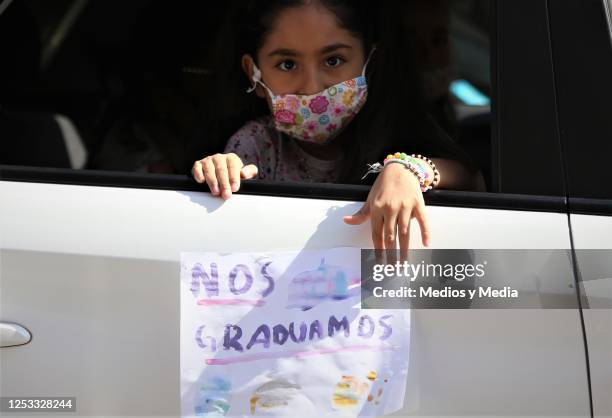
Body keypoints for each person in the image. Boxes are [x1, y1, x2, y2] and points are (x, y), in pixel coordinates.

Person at [191, 0, 485, 253]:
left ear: (369, 63)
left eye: (333, 60)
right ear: (252, 72)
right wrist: (221, 171)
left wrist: (408, 171)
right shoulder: (254, 145)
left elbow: (470, 179)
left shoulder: (393, 131)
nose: (312, 86)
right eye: (288, 65)